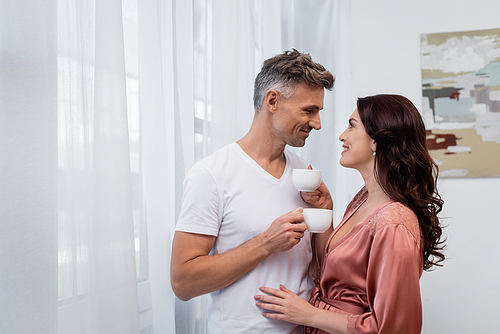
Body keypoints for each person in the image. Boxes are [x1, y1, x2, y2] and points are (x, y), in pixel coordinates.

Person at [170, 49, 335, 333]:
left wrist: (325, 210)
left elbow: (322, 268)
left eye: (319, 111)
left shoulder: (305, 172)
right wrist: (266, 243)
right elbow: (183, 283)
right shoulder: (211, 175)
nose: (317, 123)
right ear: (273, 100)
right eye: (309, 110)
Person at [255, 94, 446, 334]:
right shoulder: (363, 199)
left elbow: (392, 328)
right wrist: (326, 209)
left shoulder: (394, 221)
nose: (342, 136)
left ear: (377, 141)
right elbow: (336, 273)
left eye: (352, 125)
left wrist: (309, 314)